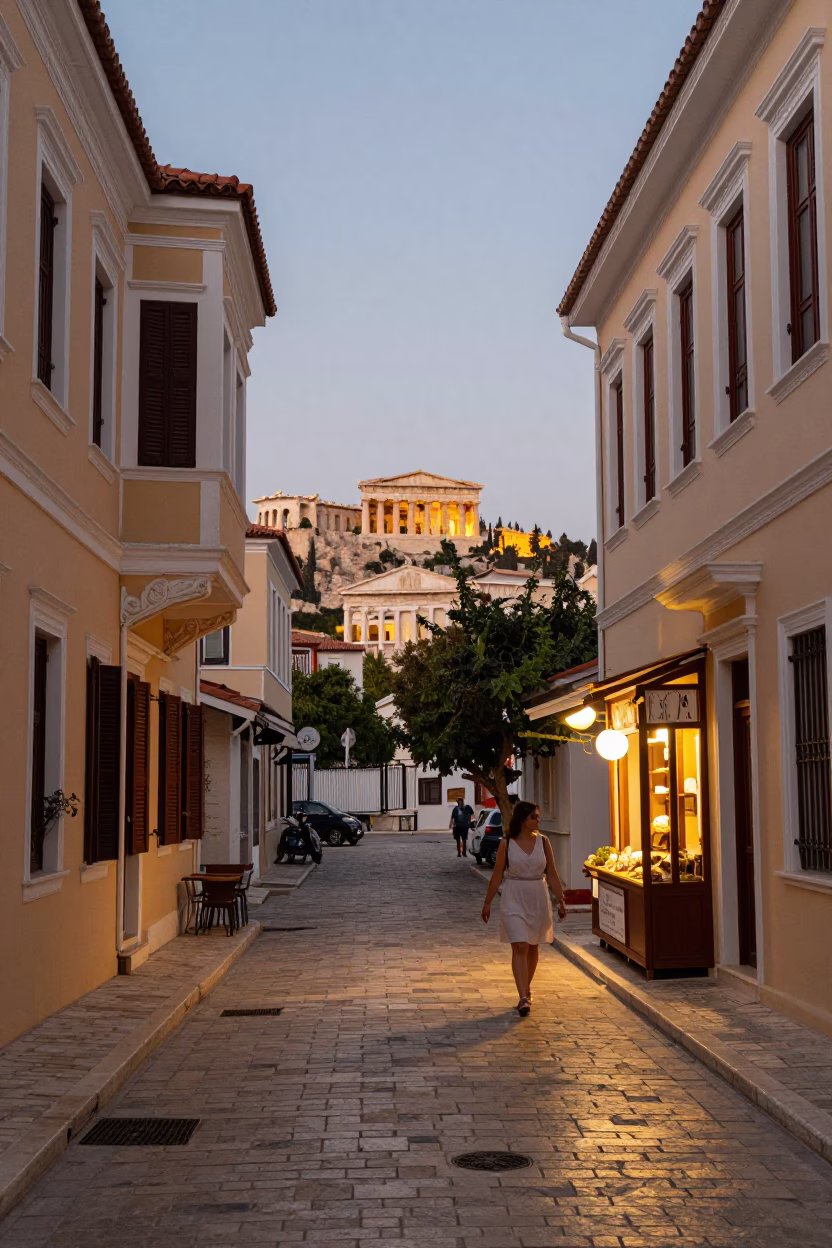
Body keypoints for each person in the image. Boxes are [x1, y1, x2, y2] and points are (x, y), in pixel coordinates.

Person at [481, 800, 567, 1016]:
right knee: (520, 945)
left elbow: (552, 873)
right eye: (533, 817)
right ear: (522, 820)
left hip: (537, 896)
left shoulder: (544, 842)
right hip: (514, 895)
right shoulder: (507, 844)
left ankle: (526, 987)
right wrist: (488, 902)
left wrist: (561, 900)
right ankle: (522, 997)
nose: (538, 820)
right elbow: (497, 874)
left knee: (533, 946)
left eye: (538, 816)